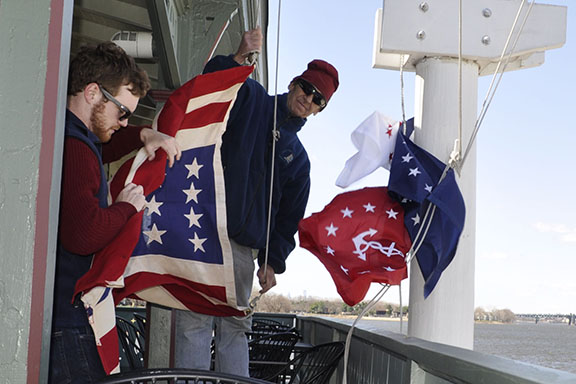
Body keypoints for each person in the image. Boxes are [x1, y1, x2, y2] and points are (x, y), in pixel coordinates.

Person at [174, 28, 339, 377]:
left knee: (235, 329)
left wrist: (272, 261)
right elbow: (212, 82)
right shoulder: (253, 98)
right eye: (307, 88)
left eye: (318, 99)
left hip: (242, 249)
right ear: (294, 84)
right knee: (193, 323)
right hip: (203, 230)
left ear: (320, 110)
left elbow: (288, 218)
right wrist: (237, 57)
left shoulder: (300, 160)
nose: (308, 98)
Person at [49, 42, 180, 383]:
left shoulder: (66, 136)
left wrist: (145, 134)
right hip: (67, 318)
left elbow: (105, 145)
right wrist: (127, 207)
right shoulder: (76, 148)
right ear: (92, 92)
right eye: (122, 111)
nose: (124, 123)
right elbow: (83, 235)